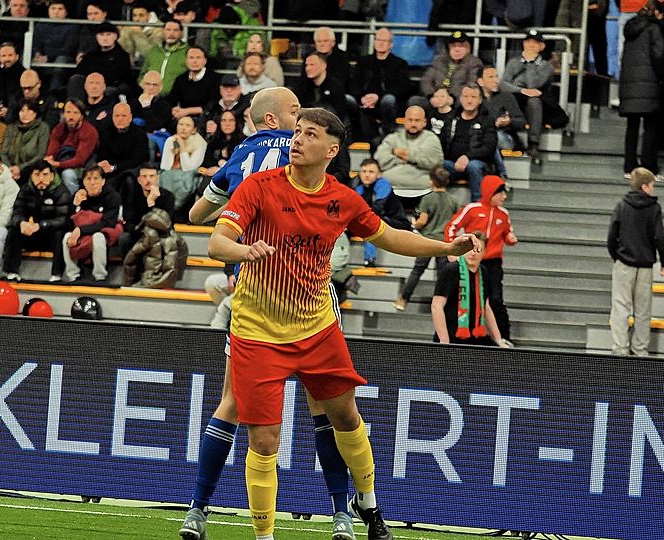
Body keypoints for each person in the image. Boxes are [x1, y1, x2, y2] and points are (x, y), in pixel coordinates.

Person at [207, 107, 481, 540]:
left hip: (316, 329)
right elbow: (216, 242)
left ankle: (368, 502)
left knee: (347, 417)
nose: (297, 140)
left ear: (331, 150)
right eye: (297, 131)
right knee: (263, 441)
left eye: (309, 134)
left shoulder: (344, 199)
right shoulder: (259, 186)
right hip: (258, 333)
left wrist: (446, 247)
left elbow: (391, 237)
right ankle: (264, 536)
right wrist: (244, 251)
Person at [183, 89, 363, 540]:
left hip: (251, 291)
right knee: (322, 405)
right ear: (274, 119)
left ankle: (198, 509)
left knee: (231, 402)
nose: (301, 122)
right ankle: (340, 511)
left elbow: (197, 213)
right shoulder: (303, 151)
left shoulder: (241, 156)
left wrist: (237, 221)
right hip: (305, 296)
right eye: (295, 113)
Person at [444, 175, 518, 345]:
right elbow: (452, 226)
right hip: (472, 262)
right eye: (500, 193)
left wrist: (510, 239)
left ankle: (503, 337)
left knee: (496, 299)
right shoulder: (472, 209)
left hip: (493, 263)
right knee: (468, 298)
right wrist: (451, 249)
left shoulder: (504, 214)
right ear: (490, 192)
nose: (504, 197)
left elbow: (507, 233)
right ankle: (463, 334)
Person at [607, 167, 664, 356]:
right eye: (651, 185)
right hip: (645, 265)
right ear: (644, 186)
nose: (653, 189)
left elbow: (612, 235)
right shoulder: (654, 208)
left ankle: (620, 348)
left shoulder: (621, 205)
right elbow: (660, 236)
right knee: (643, 311)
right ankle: (640, 350)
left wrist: (617, 256)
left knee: (620, 307)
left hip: (624, 262)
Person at [396, 165, 460, 311]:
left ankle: (403, 299)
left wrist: (414, 224)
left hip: (427, 241)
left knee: (417, 271)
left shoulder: (427, 199)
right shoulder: (453, 200)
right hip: (445, 243)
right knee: (442, 274)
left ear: (431, 181)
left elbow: (422, 221)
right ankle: (443, 303)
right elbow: (457, 220)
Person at [431, 231, 508, 347]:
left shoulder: (483, 272)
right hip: (452, 337)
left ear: (484, 252)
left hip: (476, 338)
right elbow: (436, 306)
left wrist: (498, 339)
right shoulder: (451, 270)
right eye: (469, 249)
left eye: (478, 249)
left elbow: (485, 307)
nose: (473, 253)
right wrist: (444, 340)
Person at [3, 160, 72, 282]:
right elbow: (17, 213)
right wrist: (22, 223)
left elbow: (62, 220)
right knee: (14, 230)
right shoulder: (25, 189)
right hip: (31, 233)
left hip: (49, 234)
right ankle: (11, 272)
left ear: (52, 176)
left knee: (60, 234)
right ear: (31, 176)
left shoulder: (62, 192)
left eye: (45, 175)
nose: (41, 179)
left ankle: (56, 275)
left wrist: (41, 226)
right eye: (37, 175)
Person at [619, 1, 664, 178]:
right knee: (651, 128)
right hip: (650, 83)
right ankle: (649, 168)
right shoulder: (654, 28)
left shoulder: (630, 27)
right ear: (657, 13)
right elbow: (658, 55)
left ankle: (629, 167)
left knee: (632, 127)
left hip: (630, 83)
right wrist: (662, 75)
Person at [500, 29, 558, 162]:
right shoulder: (513, 62)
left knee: (534, 101)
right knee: (504, 99)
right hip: (516, 96)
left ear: (542, 46)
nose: (530, 45)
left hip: (537, 103)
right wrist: (521, 90)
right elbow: (503, 84)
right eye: (528, 42)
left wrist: (530, 63)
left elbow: (533, 85)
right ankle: (513, 138)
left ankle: (533, 143)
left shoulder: (546, 66)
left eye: (535, 43)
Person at [62, 165, 121, 283]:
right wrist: (74, 205)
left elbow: (108, 223)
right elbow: (68, 224)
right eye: (88, 179)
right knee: (67, 237)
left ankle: (100, 277)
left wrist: (81, 230)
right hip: (82, 232)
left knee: (98, 237)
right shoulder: (78, 196)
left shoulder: (112, 196)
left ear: (103, 181)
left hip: (104, 231)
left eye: (96, 178)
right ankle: (73, 276)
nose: (92, 183)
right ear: (83, 182)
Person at [438, 85, 497, 204]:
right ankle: (438, 203)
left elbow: (489, 148)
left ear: (480, 100)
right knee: (436, 165)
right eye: (466, 96)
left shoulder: (487, 121)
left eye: (473, 97)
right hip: (452, 164)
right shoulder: (451, 118)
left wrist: (467, 157)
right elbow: (442, 142)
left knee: (473, 166)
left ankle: (478, 205)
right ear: (461, 98)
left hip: (478, 164)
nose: (469, 100)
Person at [374, 105, 444, 200]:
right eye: (410, 120)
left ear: (424, 122)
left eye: (417, 120)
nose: (413, 124)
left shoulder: (431, 139)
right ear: (404, 121)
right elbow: (380, 159)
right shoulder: (393, 137)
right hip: (391, 190)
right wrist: (408, 160)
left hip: (424, 190)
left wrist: (398, 154)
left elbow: (433, 162)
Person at [349, 28, 410, 137]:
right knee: (347, 99)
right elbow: (353, 84)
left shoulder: (400, 64)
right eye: (378, 40)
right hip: (363, 101)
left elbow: (402, 88)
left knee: (389, 99)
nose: (380, 43)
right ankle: (352, 134)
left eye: (384, 40)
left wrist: (378, 97)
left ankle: (387, 132)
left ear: (391, 45)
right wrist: (361, 98)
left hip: (385, 102)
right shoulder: (363, 62)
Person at [354, 158, 410, 266]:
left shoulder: (383, 184)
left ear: (379, 174)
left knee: (370, 223)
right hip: (376, 219)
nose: (366, 175)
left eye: (371, 172)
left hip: (396, 222)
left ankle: (370, 259)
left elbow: (377, 208)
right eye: (364, 171)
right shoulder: (359, 186)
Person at [44, 98, 99, 195]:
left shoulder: (89, 131)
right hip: (61, 162)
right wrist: (49, 160)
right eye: (68, 112)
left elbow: (79, 160)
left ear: (82, 115)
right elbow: (51, 152)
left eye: (75, 113)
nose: (71, 116)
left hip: (84, 167)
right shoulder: (59, 128)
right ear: (63, 114)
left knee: (67, 174)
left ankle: (74, 200)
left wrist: (57, 164)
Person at [96, 102, 149, 194]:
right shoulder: (106, 134)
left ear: (130, 117)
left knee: (128, 179)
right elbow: (102, 156)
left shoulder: (140, 134)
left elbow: (138, 160)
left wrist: (114, 167)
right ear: (112, 117)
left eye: (124, 116)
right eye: (117, 116)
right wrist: (104, 164)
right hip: (110, 170)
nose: (120, 119)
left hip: (131, 170)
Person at [418, 31, 482, 102]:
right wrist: (432, 96)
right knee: (415, 100)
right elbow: (426, 80)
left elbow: (472, 84)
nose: (457, 50)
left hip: (458, 100)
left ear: (468, 49)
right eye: (453, 46)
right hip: (435, 98)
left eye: (461, 46)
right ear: (448, 48)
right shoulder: (439, 60)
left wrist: (451, 97)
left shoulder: (474, 62)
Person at [160, 115, 205, 211]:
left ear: (194, 130)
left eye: (188, 125)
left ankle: (173, 208)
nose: (183, 128)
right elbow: (165, 166)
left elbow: (188, 168)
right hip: (170, 176)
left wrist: (182, 146)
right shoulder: (171, 140)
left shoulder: (200, 143)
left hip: (188, 177)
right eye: (181, 124)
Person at [2, 100, 52, 183]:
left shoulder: (43, 128)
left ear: (35, 113)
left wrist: (20, 168)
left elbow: (40, 155)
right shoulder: (11, 128)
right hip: (10, 171)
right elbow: (3, 152)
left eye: (29, 110)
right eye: (22, 110)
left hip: (32, 170)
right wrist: (10, 169)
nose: (25, 114)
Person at [139, 20, 188, 95]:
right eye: (168, 30)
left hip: (175, 97)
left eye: (175, 30)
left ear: (182, 33)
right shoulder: (154, 51)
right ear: (163, 31)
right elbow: (143, 74)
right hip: (149, 96)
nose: (171, 33)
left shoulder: (188, 52)